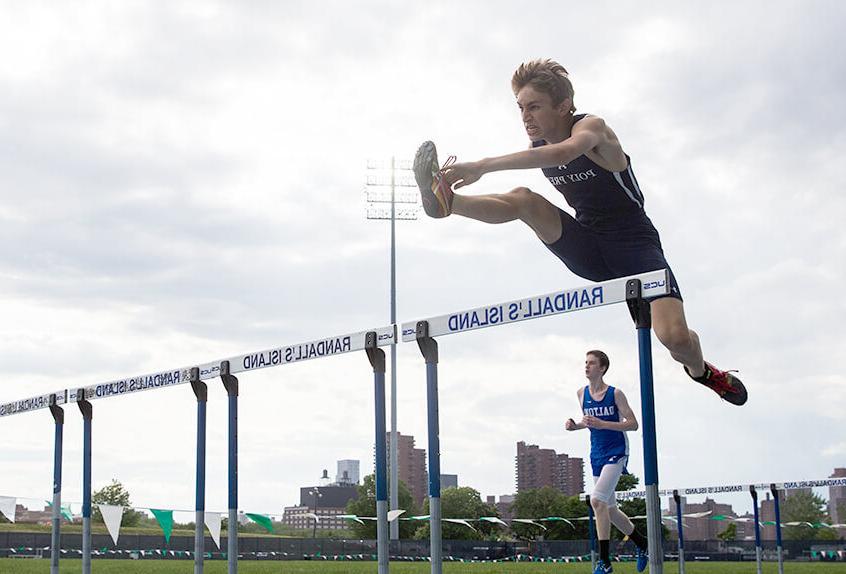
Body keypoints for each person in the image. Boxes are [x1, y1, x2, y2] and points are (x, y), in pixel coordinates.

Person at [413, 59, 746, 405]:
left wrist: (482, 165)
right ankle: (449, 203)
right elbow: (546, 159)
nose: (526, 117)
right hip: (588, 247)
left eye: (535, 107)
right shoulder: (537, 149)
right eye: (521, 108)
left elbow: (568, 151)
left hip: (636, 247)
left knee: (675, 339)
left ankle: (703, 372)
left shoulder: (594, 130)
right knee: (525, 201)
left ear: (563, 106)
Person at [566, 350, 648, 574]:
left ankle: (604, 561)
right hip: (597, 454)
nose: (586, 366)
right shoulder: (581, 393)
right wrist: (576, 426)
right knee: (609, 510)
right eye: (585, 362)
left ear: (602, 368)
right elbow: (589, 422)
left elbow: (633, 424)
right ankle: (642, 544)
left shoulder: (615, 394)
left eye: (591, 363)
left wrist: (605, 424)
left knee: (597, 501)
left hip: (616, 450)